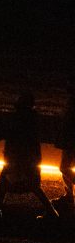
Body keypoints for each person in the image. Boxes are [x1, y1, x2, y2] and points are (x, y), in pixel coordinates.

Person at [0, 92, 60, 220]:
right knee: (30, 184)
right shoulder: (32, 118)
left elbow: (9, 133)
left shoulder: (20, 118)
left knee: (7, 178)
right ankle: (51, 211)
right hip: (29, 157)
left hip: (18, 156)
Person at [55, 73, 75, 205]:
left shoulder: (72, 101)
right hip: (68, 139)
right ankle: (69, 196)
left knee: (64, 167)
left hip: (70, 139)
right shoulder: (71, 100)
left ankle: (69, 196)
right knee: (65, 167)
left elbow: (69, 121)